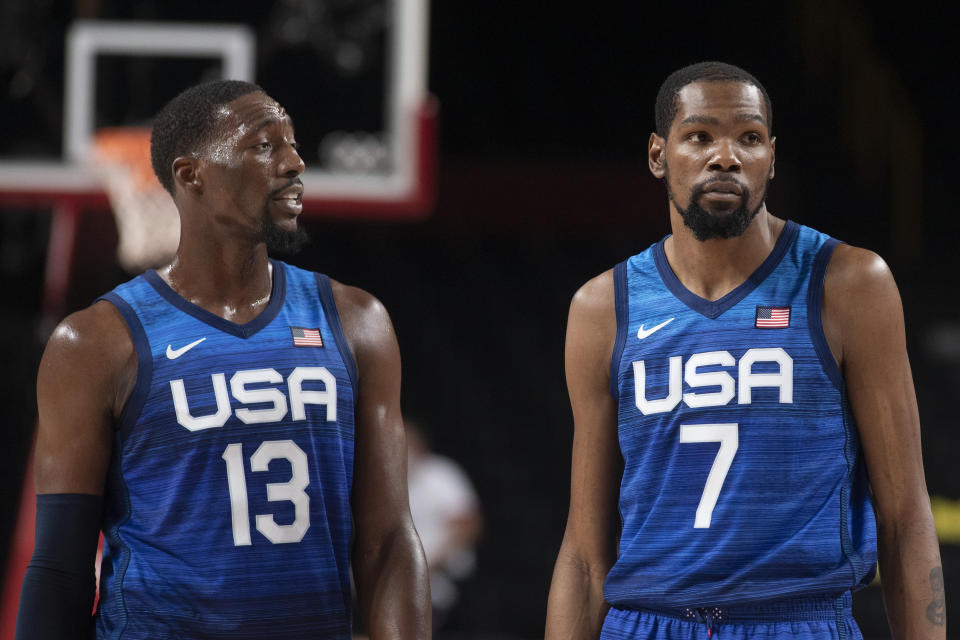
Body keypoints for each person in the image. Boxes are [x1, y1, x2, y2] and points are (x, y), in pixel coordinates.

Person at [16, 80, 430, 639]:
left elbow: (388, 543)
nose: (294, 163)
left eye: (293, 144)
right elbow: (61, 569)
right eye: (264, 146)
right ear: (191, 175)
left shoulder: (357, 321)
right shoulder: (95, 343)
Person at [545, 62, 945, 639]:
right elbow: (585, 554)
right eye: (700, 135)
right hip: (647, 623)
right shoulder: (603, 307)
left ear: (772, 159)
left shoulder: (850, 283)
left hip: (796, 619)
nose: (726, 156)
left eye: (749, 138)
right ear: (659, 154)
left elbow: (905, 517)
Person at [405, 420, 482, 628]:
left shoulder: (439, 474)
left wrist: (430, 562)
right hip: (405, 575)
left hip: (441, 574)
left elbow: (468, 525)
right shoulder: (391, 483)